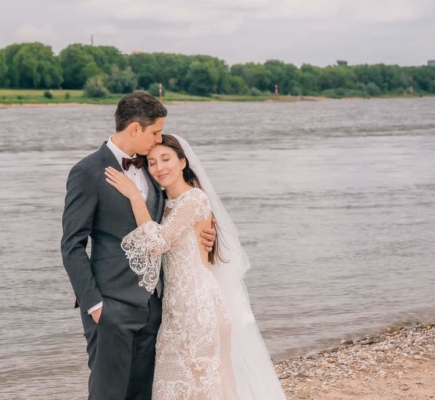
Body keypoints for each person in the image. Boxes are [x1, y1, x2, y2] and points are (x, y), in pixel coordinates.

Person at [105, 134, 287, 399]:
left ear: (182, 162)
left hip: (201, 310)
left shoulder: (194, 200)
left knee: (205, 389)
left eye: (166, 159)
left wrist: (134, 196)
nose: (159, 168)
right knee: (175, 388)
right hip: (175, 311)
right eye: (152, 163)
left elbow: (157, 243)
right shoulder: (164, 207)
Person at [61, 92, 216, 400]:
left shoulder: (152, 167)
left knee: (143, 394)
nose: (158, 138)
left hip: (154, 308)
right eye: (155, 132)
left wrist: (208, 235)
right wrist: (95, 305)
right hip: (111, 307)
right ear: (135, 129)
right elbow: (72, 245)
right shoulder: (87, 172)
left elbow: (178, 212)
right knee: (108, 394)